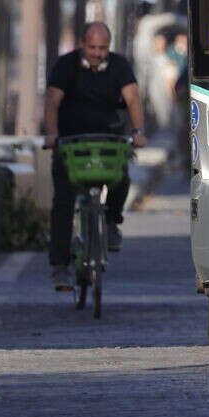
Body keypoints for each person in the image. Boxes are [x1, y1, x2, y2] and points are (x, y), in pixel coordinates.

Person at [43, 21, 147, 290]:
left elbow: (133, 98)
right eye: (92, 47)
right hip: (70, 142)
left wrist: (137, 131)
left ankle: (111, 222)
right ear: (82, 44)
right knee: (63, 202)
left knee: (121, 179)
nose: (97, 53)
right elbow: (53, 101)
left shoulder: (119, 66)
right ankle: (60, 267)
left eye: (102, 48)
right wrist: (52, 135)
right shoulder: (66, 66)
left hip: (108, 140)